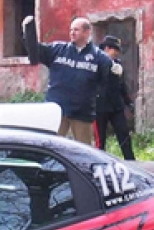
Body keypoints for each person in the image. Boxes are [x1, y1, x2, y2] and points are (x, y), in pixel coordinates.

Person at [22, 15, 115, 145]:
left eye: (76, 30)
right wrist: (28, 32)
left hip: (82, 112)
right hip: (57, 110)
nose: (72, 32)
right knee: (50, 146)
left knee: (84, 150)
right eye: (71, 29)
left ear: (87, 32)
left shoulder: (99, 57)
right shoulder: (58, 49)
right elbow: (35, 52)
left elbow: (106, 82)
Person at [95, 35, 136, 160]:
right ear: (107, 48)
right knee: (100, 141)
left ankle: (131, 162)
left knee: (124, 136)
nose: (117, 53)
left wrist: (128, 103)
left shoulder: (117, 65)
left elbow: (121, 86)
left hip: (116, 107)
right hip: (99, 107)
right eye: (115, 50)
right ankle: (98, 163)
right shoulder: (95, 62)